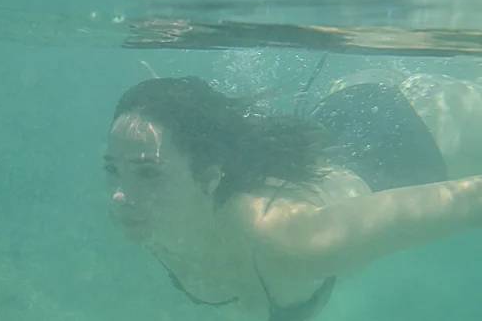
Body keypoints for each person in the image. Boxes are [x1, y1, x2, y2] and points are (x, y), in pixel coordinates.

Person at [103, 75, 482, 321]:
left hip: (412, 134)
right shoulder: (156, 218)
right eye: (112, 169)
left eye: (148, 173)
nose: (119, 195)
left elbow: (470, 202)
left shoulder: (295, 241)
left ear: (209, 176)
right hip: (337, 122)